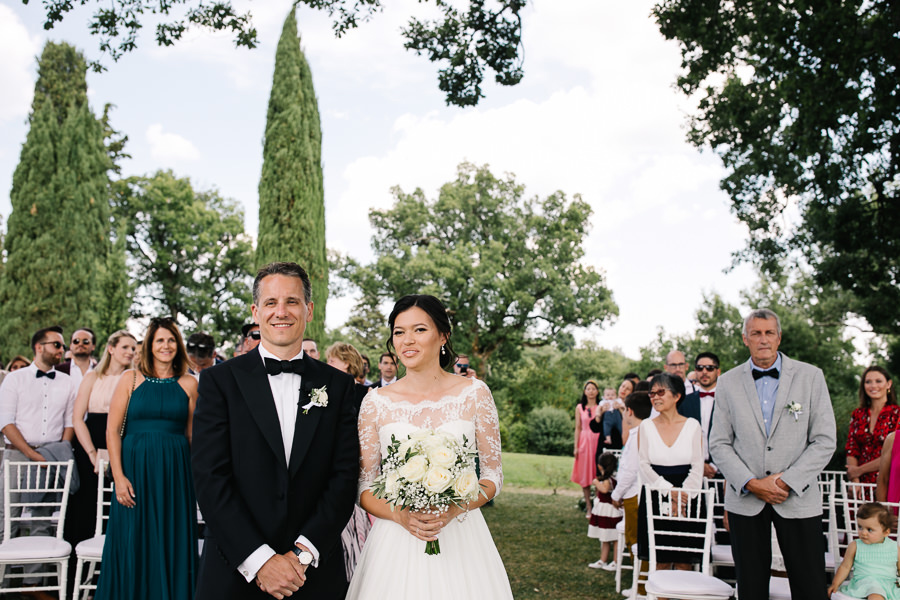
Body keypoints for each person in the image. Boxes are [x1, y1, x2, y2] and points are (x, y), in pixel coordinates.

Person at [192, 262, 359, 600]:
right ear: (256, 311)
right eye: (271, 303)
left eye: (292, 301)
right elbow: (210, 477)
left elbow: (343, 477)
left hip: (312, 573)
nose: (281, 312)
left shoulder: (338, 386)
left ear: (308, 309)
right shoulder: (219, 382)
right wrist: (261, 560)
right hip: (234, 569)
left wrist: (301, 555)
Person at [347, 294, 513, 599]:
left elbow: (493, 475)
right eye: (399, 332)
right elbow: (363, 486)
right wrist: (400, 515)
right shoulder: (375, 402)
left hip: (462, 538)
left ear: (443, 336)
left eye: (419, 329)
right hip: (395, 544)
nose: (407, 340)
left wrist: (452, 509)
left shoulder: (475, 394)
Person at [709, 308, 836, 600]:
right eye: (756, 333)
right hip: (746, 500)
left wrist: (785, 482)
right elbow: (719, 443)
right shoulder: (727, 382)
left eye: (769, 333)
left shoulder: (811, 377)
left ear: (779, 338)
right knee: (751, 588)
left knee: (810, 586)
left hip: (798, 497)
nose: (762, 339)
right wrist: (752, 483)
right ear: (745, 339)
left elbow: (825, 440)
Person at [95, 317, 199, 600]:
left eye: (171, 340)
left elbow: (192, 436)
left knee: (171, 540)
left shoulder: (190, 383)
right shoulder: (129, 379)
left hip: (175, 475)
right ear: (149, 346)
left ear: (178, 345)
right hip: (135, 474)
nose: (166, 346)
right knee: (132, 541)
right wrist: (118, 476)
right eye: (159, 340)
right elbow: (112, 431)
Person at [0, 325, 77, 598]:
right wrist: (33, 455)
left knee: (42, 519)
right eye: (56, 345)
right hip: (17, 454)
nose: (62, 350)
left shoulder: (68, 382)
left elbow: (69, 423)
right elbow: (6, 422)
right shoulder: (15, 379)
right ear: (39, 347)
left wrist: (58, 451)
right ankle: (4, 583)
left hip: (51, 456)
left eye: (62, 346)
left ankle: (32, 586)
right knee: (5, 518)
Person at [65, 330, 137, 586]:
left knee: (120, 511)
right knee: (87, 513)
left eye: (133, 348)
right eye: (126, 347)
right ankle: (81, 579)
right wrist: (93, 454)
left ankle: (117, 578)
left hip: (124, 450)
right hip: (91, 451)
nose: (130, 352)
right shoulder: (92, 377)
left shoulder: (136, 379)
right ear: (111, 348)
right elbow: (77, 418)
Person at [637, 372, 703, 569]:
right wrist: (668, 491)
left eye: (660, 392)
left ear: (676, 396)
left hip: (688, 499)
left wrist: (683, 495)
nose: (655, 397)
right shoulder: (646, 426)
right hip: (655, 496)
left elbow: (698, 466)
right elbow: (643, 465)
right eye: (652, 393)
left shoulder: (692, 426)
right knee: (661, 562)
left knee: (685, 562)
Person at [323, 341, 374, 581]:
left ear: (347, 362)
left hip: (359, 464)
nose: (328, 364)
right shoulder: (325, 392)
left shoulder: (365, 395)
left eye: (332, 360)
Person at [827, 502, 899, 600]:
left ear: (886, 532)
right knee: (875, 594)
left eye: (869, 530)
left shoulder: (894, 547)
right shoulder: (855, 546)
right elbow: (845, 566)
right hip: (865, 583)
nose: (863, 532)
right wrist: (835, 583)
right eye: (860, 527)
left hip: (888, 584)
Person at [847, 366, 898, 484]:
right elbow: (852, 449)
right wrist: (855, 480)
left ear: (889, 384)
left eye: (878, 381)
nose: (873, 386)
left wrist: (859, 470)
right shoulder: (858, 414)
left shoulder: (897, 415)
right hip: (860, 484)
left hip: (888, 482)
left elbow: (894, 454)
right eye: (868, 382)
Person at [677, 351, 722, 479]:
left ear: (717, 372)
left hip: (723, 474)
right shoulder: (684, 402)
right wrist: (698, 465)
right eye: (700, 368)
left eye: (709, 368)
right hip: (690, 472)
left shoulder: (729, 401)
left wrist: (715, 466)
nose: (704, 372)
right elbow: (680, 438)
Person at [588, 452, 622, 571]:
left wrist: (596, 482)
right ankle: (603, 560)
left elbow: (605, 489)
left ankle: (616, 561)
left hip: (610, 512)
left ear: (599, 466)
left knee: (614, 537)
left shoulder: (608, 479)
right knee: (605, 536)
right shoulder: (611, 477)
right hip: (604, 512)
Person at [571, 380, 602, 509]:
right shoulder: (579, 407)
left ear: (597, 391)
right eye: (588, 389)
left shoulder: (601, 406)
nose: (591, 391)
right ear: (585, 391)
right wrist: (576, 446)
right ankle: (588, 506)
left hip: (597, 439)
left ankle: (599, 505)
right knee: (585, 473)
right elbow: (577, 427)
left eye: (593, 389)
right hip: (584, 441)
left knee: (598, 472)